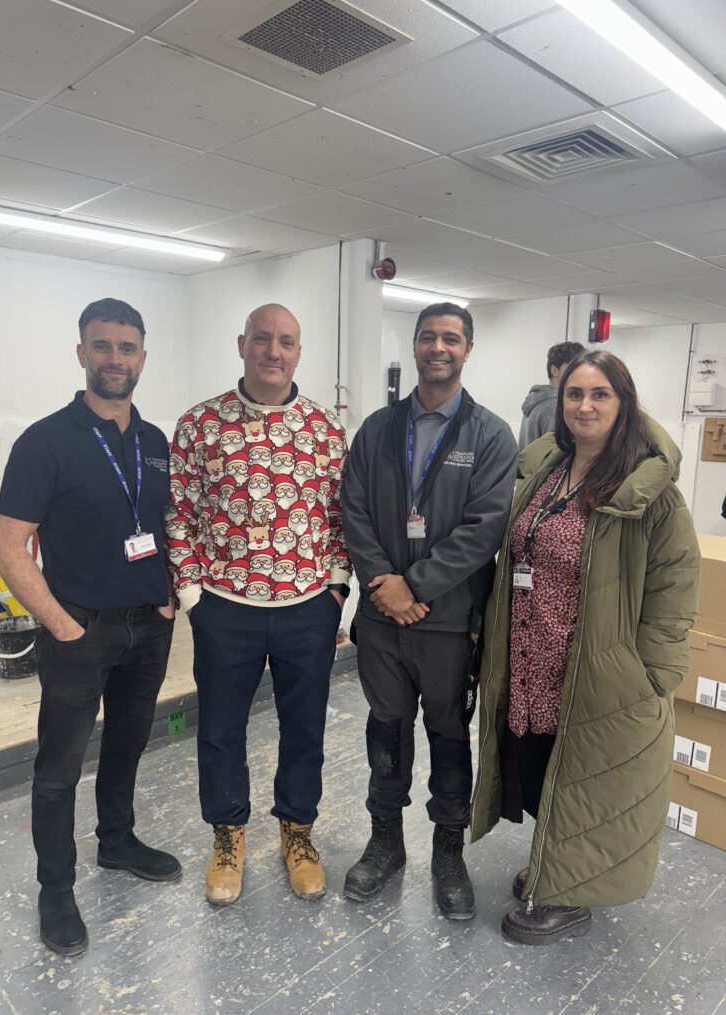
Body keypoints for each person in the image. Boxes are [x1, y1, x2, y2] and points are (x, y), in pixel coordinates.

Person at [471, 349, 700, 944]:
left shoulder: (649, 491)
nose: (585, 405)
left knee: (587, 778)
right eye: (575, 394)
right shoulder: (547, 468)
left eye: (600, 394)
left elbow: (674, 585)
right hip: (533, 654)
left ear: (624, 404)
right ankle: (555, 867)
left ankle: (567, 892)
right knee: (545, 768)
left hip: (596, 663)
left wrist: (650, 674)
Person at [0, 298, 180, 958]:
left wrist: (169, 596)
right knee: (59, 768)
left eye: (126, 348)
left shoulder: (155, 444)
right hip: (80, 631)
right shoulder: (45, 441)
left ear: (142, 358)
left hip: (148, 628)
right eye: (102, 346)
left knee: (127, 746)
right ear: (81, 354)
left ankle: (117, 842)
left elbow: (165, 528)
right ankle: (56, 888)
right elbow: (7, 545)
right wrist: (60, 624)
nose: (114, 359)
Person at [166, 303, 350, 906]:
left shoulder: (325, 428)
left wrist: (336, 588)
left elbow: (341, 515)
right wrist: (192, 595)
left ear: (299, 352)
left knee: (304, 727)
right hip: (225, 607)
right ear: (242, 344)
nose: (274, 351)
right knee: (221, 728)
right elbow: (179, 512)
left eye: (286, 342)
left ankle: (297, 831)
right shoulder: (200, 425)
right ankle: (228, 835)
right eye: (263, 339)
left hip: (307, 605)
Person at [341, 302, 517, 919]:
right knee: (386, 729)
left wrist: (413, 586)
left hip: (448, 622)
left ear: (467, 350)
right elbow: (354, 509)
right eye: (427, 337)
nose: (438, 347)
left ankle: (448, 852)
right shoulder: (378, 429)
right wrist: (382, 585)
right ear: (414, 346)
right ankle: (385, 841)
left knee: (448, 735)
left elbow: (485, 528)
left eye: (451, 338)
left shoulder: (490, 435)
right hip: (382, 620)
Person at [518, 341, 585, 451]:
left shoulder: (537, 399)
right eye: (573, 367)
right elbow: (557, 454)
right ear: (554, 370)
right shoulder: (554, 405)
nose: (579, 373)